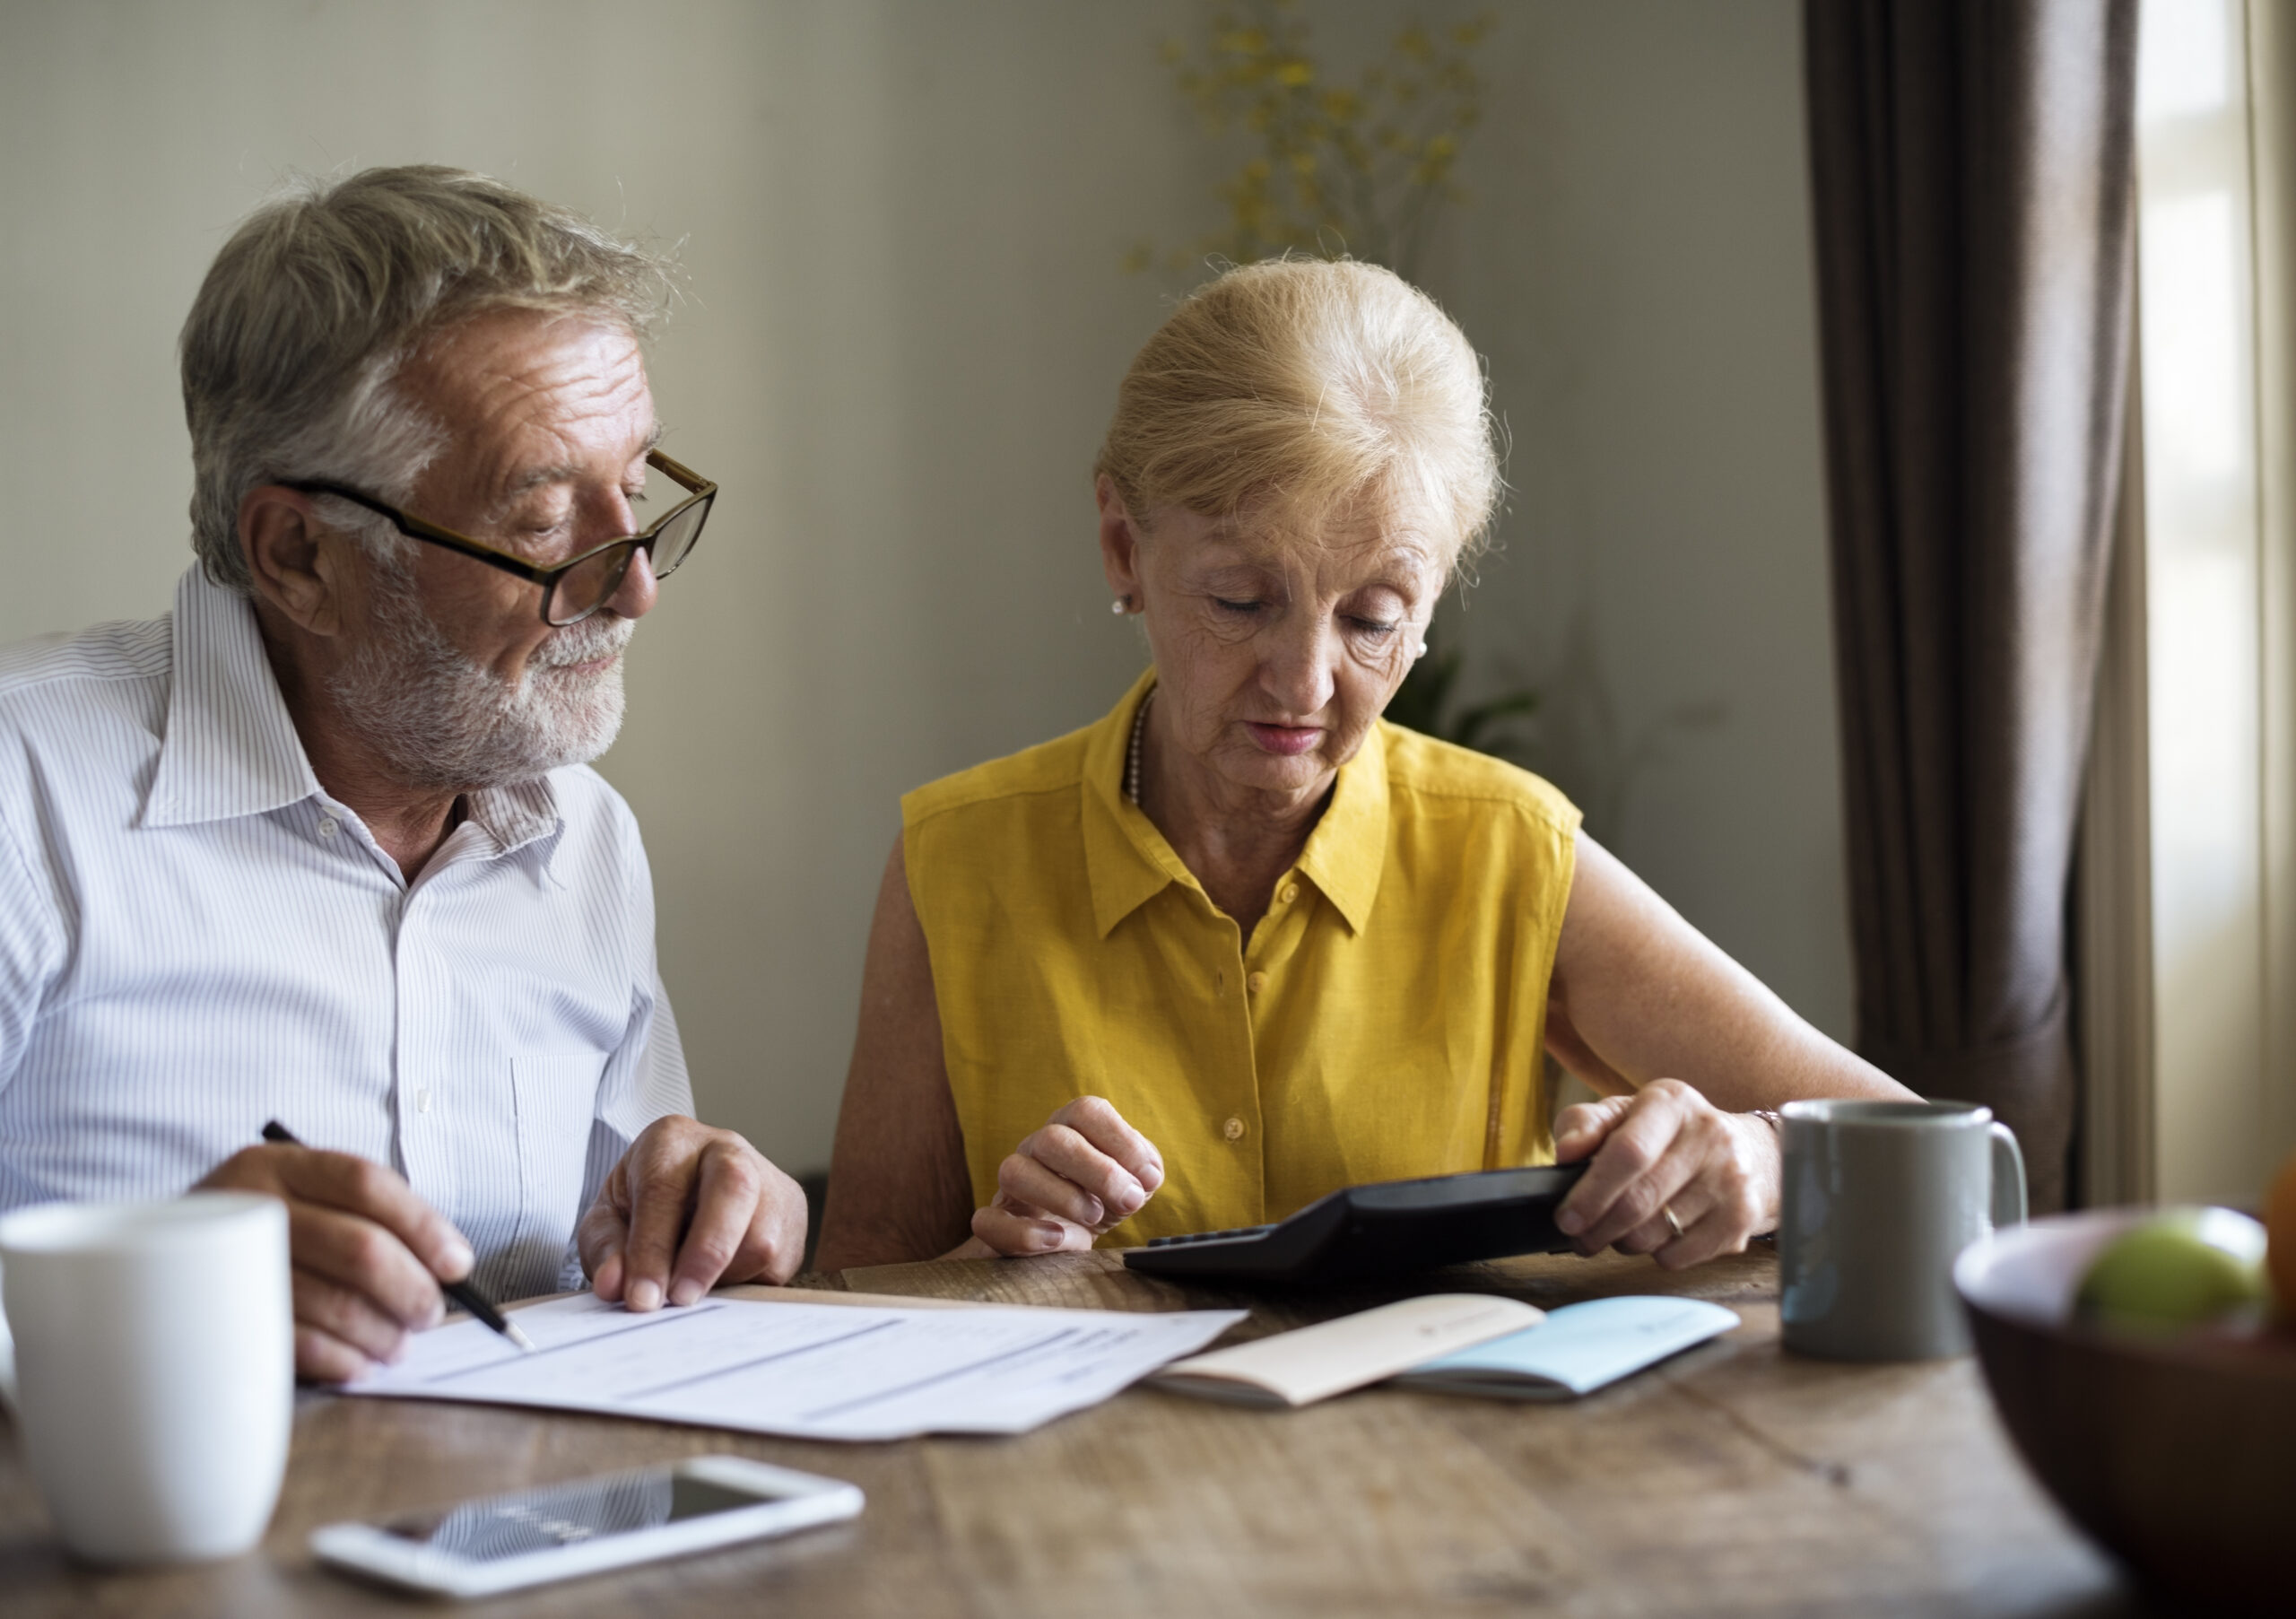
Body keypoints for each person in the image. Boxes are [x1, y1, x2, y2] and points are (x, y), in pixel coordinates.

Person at [817, 257, 1918, 1273]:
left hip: (1443, 1474)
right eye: (1240, 602)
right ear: (1122, 547)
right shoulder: (955, 862)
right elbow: (852, 1309)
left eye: (1372, 617)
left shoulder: (1505, 851)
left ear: (1432, 603)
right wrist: (990, 1268)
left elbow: (1944, 1161)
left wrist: (1771, 1158)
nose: (1302, 683)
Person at [0, 167, 806, 1380]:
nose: (631, 584)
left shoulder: (582, 834)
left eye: (633, 493)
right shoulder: (27, 792)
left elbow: (622, 1270)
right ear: (299, 553)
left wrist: (717, 1217)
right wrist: (154, 1299)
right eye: (543, 522)